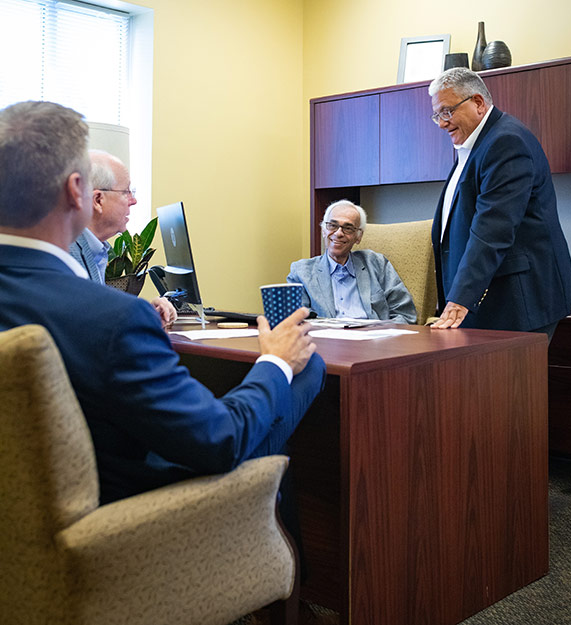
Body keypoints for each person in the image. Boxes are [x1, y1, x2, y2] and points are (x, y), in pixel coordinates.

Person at [0, 100, 326, 506]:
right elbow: (219, 441)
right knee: (307, 366)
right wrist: (276, 360)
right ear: (77, 190)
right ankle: (280, 547)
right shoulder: (112, 320)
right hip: (132, 516)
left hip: (31, 516)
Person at [428, 68, 571, 337]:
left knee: (514, 381)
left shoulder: (506, 142)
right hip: (488, 301)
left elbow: (492, 229)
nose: (441, 123)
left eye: (447, 112)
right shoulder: (475, 146)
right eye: (437, 115)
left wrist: (460, 297)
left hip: (519, 301)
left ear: (478, 103)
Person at [69, 149, 177, 328]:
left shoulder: (94, 250)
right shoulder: (69, 253)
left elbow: (97, 316)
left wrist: (144, 314)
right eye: (126, 192)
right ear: (98, 200)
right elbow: (86, 328)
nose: (133, 201)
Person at [287, 199, 417, 323]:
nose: (338, 233)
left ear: (358, 237)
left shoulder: (376, 264)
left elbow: (405, 314)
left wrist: (382, 333)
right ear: (323, 231)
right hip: (327, 342)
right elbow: (295, 320)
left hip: (374, 342)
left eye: (348, 228)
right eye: (332, 225)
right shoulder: (301, 272)